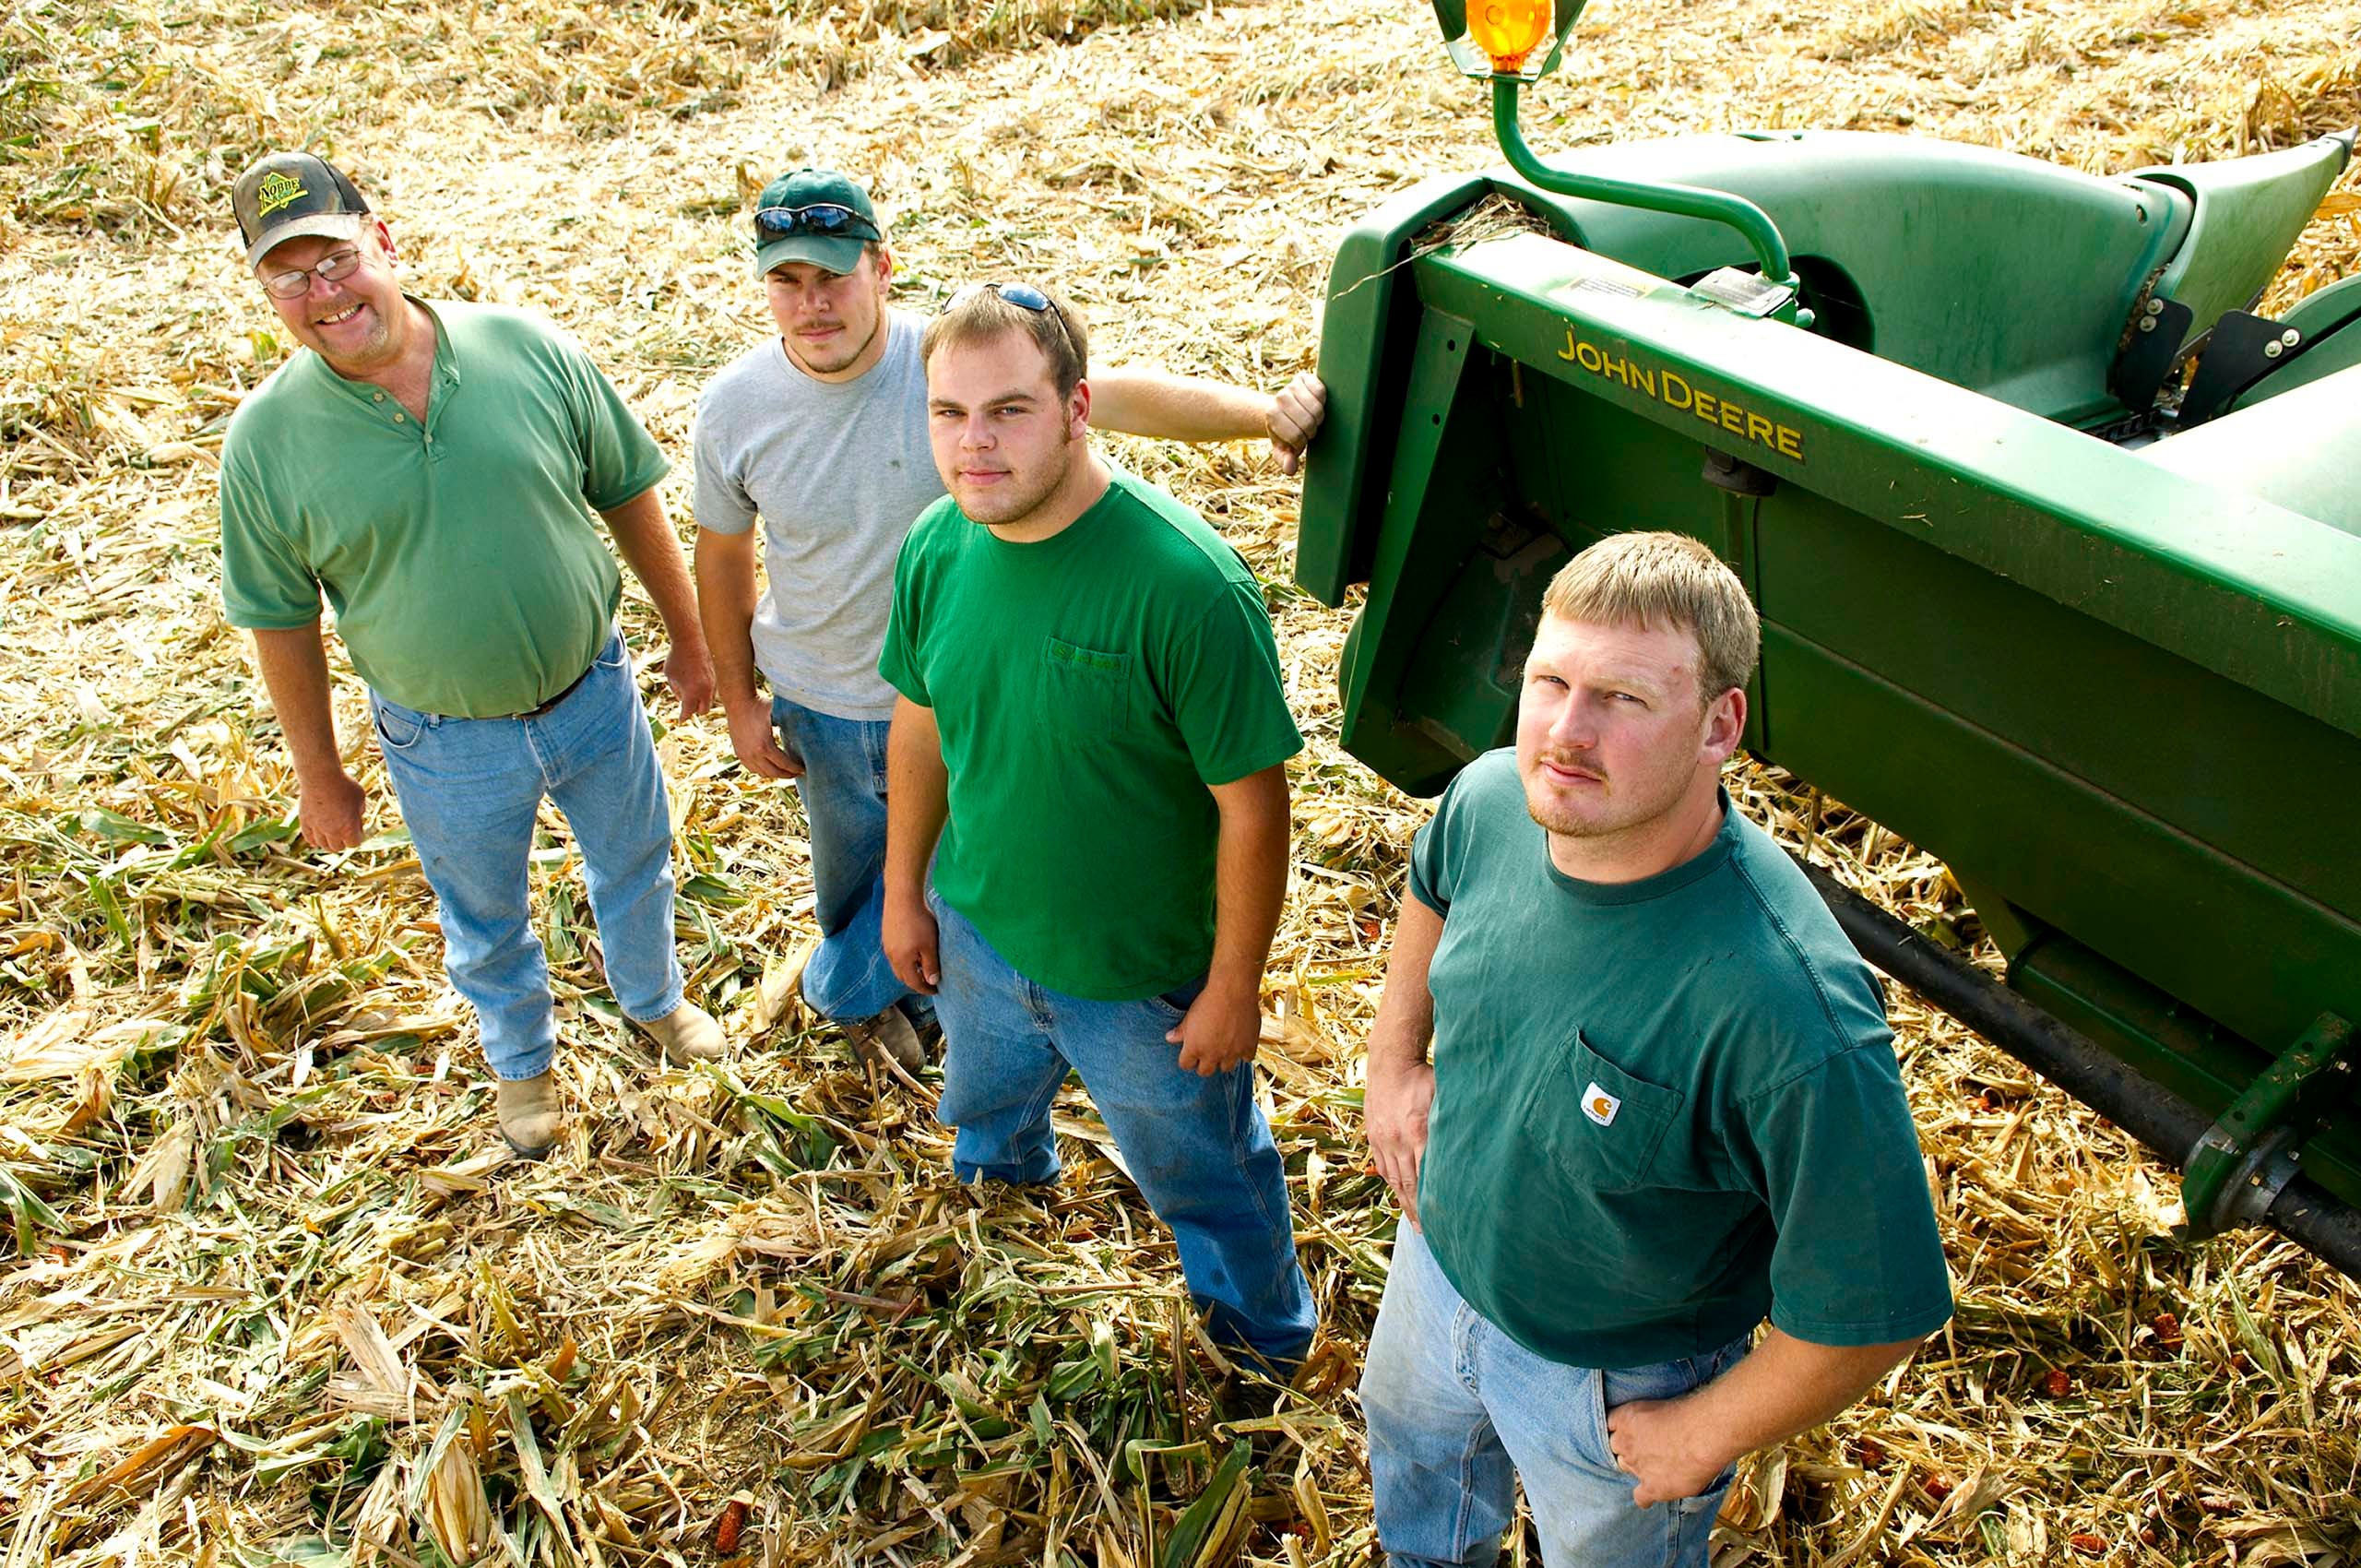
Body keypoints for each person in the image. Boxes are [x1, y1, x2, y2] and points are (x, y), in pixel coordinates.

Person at [1357, 532, 1953, 1565]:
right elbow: (1431, 882)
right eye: (1550, 680)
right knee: (1413, 1460)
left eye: (1624, 699)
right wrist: (1393, 1061)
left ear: (1720, 723)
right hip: (1435, 1264)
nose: (1566, 732)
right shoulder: (1495, 797)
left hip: (1613, 1379)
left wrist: (1702, 1432)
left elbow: (1874, 1308)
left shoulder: (1786, 1012)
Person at [692, 168, 1323, 1073]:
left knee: (973, 878)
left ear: (881, 266)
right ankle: (874, 991)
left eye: (833, 276)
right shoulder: (735, 404)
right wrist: (738, 697)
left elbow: (1114, 398)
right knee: (853, 879)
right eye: (787, 280)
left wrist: (1264, 414)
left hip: (972, 698)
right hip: (823, 700)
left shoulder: (955, 364)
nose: (813, 303)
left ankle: (961, 1001)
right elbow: (720, 555)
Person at [217, 151, 727, 1160]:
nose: (323, 294)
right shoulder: (267, 442)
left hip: (594, 692)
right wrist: (320, 773)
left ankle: (655, 1001)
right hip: (444, 738)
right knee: (484, 914)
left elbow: (625, 487)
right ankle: (522, 1064)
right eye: (290, 277)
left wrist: (691, 634)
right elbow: (280, 620)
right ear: (265, 290)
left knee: (634, 858)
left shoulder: (521, 346)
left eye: (335, 259)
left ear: (384, 241)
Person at [873, 281, 1316, 1367]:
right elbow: (919, 725)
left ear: (1079, 407)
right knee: (981, 1092)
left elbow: (1253, 804)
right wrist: (902, 891)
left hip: (1144, 983)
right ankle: (1006, 1178)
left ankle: (1260, 1332)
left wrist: (1231, 985)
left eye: (1009, 410)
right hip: (978, 927)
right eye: (948, 413)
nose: (974, 444)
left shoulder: (1185, 585)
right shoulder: (938, 545)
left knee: (1203, 1171)